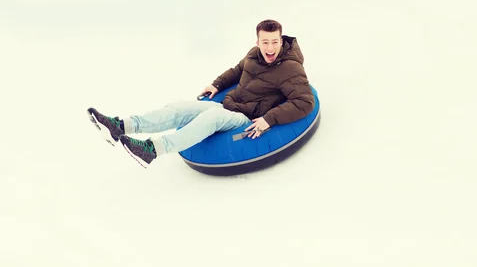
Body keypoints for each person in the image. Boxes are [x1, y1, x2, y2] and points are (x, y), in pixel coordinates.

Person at [87, 19, 315, 168]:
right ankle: (121, 126)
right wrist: (216, 85)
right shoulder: (255, 54)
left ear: (281, 40)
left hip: (246, 117)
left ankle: (151, 150)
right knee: (179, 107)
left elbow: (305, 102)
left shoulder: (290, 68)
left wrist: (269, 119)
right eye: (265, 42)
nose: (270, 48)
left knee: (211, 118)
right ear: (257, 41)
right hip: (230, 103)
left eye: (274, 42)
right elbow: (238, 70)